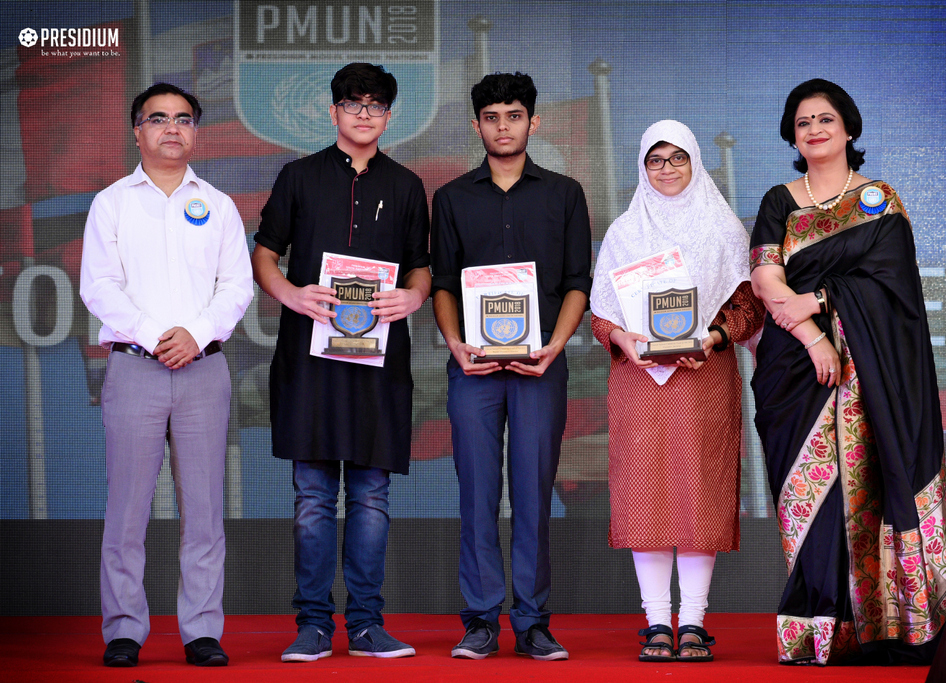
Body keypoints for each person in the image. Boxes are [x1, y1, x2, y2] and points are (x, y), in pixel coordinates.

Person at [749, 79, 946, 665]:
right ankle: (821, 628)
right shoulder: (780, 201)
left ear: (848, 129)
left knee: (872, 484)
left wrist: (819, 299)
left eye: (825, 119)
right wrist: (815, 337)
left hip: (873, 372)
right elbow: (765, 279)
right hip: (794, 368)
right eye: (803, 122)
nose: (814, 129)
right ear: (792, 136)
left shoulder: (879, 201)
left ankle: (892, 622)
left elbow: (895, 289)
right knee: (809, 499)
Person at [251, 63, 430, 661]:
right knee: (312, 497)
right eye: (353, 103)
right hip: (310, 361)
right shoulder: (298, 177)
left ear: (388, 116)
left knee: (372, 497)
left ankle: (367, 625)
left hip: (379, 362)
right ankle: (312, 625)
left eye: (375, 105)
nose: (364, 114)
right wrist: (291, 295)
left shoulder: (407, 186)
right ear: (333, 112)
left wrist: (415, 296)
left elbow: (421, 266)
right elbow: (265, 255)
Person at [80, 83, 253, 667]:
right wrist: (159, 334)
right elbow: (99, 286)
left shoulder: (219, 205)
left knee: (203, 510)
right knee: (127, 510)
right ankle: (124, 631)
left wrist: (195, 335)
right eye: (158, 119)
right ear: (138, 131)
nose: (171, 128)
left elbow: (237, 286)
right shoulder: (112, 203)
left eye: (182, 119)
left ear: (196, 132)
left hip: (204, 369)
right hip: (135, 367)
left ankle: (201, 630)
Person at [431, 72, 592, 661]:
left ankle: (532, 622)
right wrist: (455, 344)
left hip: (540, 364)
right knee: (476, 494)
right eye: (492, 117)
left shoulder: (565, 193)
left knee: (533, 493)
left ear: (533, 122)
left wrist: (555, 345)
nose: (503, 127)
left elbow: (578, 282)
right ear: (477, 125)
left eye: (514, 116)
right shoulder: (451, 198)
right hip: (472, 366)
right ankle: (479, 620)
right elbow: (442, 283)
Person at [590, 120, 763, 662]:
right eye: (656, 160)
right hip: (640, 379)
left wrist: (714, 338)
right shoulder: (624, 231)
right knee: (647, 497)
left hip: (703, 377)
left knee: (698, 495)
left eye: (677, 158)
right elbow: (601, 314)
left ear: (695, 162)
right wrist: (623, 339)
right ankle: (656, 624)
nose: (666, 169)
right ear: (642, 167)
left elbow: (748, 306)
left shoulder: (723, 227)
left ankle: (692, 623)